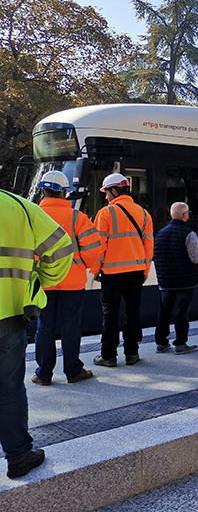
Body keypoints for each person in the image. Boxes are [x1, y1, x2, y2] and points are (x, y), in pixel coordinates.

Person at [0, 188, 72, 479]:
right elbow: (62, 246)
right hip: (8, 317)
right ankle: (18, 456)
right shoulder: (17, 205)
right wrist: (40, 281)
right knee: (8, 389)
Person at [33, 171, 101, 385]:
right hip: (73, 282)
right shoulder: (78, 218)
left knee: (45, 326)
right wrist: (91, 268)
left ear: (43, 191)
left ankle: (43, 374)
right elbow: (92, 252)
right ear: (65, 192)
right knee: (71, 326)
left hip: (43, 281)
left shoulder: (32, 216)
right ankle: (73, 371)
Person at [92, 173, 154, 368]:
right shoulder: (144, 213)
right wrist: (144, 271)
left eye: (106, 192)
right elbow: (148, 246)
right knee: (133, 311)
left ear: (114, 190)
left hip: (111, 274)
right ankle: (132, 352)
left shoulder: (105, 213)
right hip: (135, 272)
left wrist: (95, 269)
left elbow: (98, 246)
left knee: (110, 314)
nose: (105, 197)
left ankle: (108, 356)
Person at [153, 202, 198, 355]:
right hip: (185, 281)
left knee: (164, 311)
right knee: (181, 312)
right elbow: (195, 258)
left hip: (165, 280)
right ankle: (180, 344)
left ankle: (161, 343)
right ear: (185, 215)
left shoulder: (160, 233)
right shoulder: (189, 233)